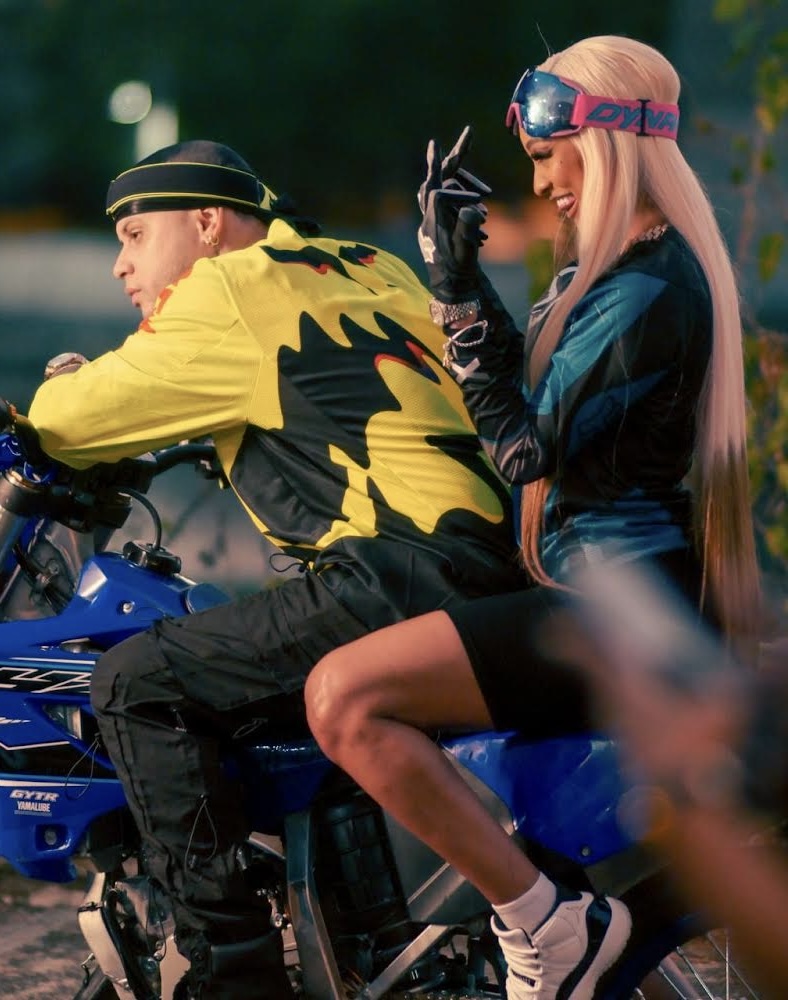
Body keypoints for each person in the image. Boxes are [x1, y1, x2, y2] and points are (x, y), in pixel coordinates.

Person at [304, 34, 763, 1000]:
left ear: (606, 145)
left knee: (343, 697)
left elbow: (523, 451)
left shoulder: (648, 289)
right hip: (610, 591)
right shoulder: (625, 273)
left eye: (550, 156)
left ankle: (546, 929)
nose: (543, 182)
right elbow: (537, 409)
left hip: (614, 605)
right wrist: (466, 283)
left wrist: (455, 290)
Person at [26, 140, 525, 999]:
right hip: (487, 564)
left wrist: (56, 394)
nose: (120, 264)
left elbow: (70, 421)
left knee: (135, 682)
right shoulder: (363, 263)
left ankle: (232, 974)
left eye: (136, 235)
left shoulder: (230, 286)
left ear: (207, 224)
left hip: (389, 571)